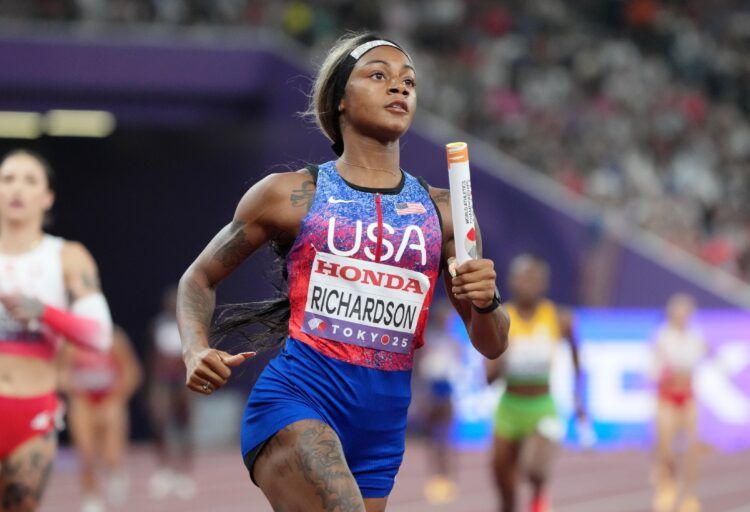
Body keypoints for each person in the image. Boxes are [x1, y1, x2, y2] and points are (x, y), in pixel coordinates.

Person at [176, 32, 509, 512]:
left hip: (381, 428)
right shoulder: (291, 195)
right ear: (340, 101)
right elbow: (199, 279)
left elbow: (492, 343)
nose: (399, 87)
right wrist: (194, 348)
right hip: (298, 401)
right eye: (379, 75)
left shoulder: (447, 211)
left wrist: (487, 300)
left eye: (409, 82)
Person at [0, 149, 113, 512]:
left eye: (29, 180)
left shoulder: (67, 257)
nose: (17, 188)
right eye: (7, 179)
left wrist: (42, 312)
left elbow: (99, 336)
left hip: (30, 413)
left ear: (47, 197)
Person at [486, 254, 584, 512]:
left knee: (533, 467)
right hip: (509, 406)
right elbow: (488, 378)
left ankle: (539, 494)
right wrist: (501, 360)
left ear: (543, 283)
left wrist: (578, 398)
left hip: (541, 405)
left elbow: (576, 354)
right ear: (513, 282)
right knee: (501, 477)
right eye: (523, 278)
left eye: (534, 279)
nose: (528, 284)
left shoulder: (559, 318)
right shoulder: (501, 317)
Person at [59, 326, 142, 512]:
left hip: (110, 400)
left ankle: (116, 471)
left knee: (112, 454)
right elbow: (61, 373)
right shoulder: (71, 343)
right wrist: (77, 392)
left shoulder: (115, 338)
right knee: (86, 454)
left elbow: (131, 372)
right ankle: (91, 497)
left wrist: (115, 400)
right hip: (83, 403)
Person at [651, 293, 705, 512]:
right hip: (667, 396)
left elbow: (699, 362)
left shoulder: (695, 337)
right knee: (665, 446)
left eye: (686, 313)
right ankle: (666, 485)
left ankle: (690, 495)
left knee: (692, 448)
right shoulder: (663, 336)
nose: (683, 316)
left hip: (687, 396)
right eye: (679, 312)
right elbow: (654, 366)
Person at [146, 286, 197, 500]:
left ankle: (185, 472)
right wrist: (153, 385)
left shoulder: (191, 324)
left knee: (184, 425)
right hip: (163, 380)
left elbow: (196, 354)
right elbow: (153, 356)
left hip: (183, 379)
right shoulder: (158, 325)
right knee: (160, 422)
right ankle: (163, 470)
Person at [416, 301, 461, 505]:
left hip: (447, 389)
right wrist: (422, 393)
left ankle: (449, 477)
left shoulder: (452, 341)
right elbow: (421, 366)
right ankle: (436, 477)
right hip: (432, 389)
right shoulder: (430, 338)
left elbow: (458, 364)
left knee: (446, 437)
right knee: (433, 438)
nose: (447, 320)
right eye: (444, 317)